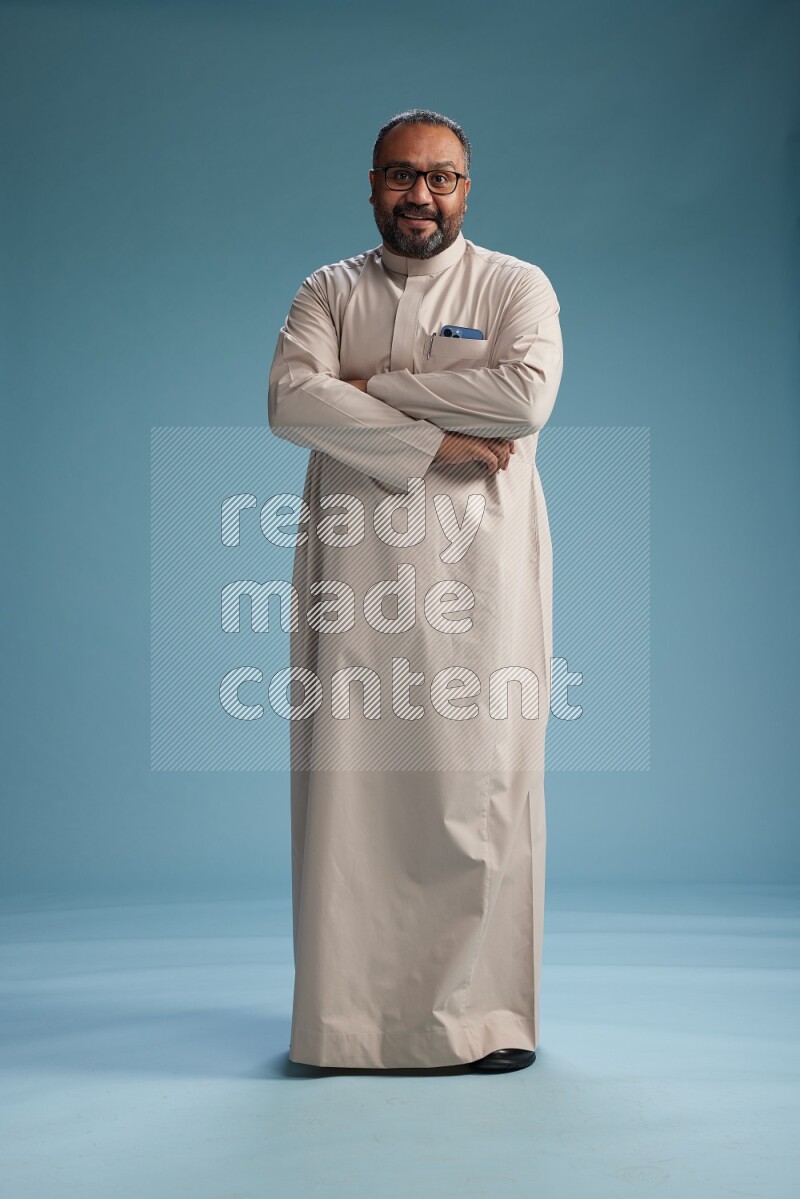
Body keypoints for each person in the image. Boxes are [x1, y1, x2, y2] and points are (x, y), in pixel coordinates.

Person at [267, 108, 563, 1074]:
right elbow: (290, 397)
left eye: (441, 178)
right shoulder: (329, 286)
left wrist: (376, 384)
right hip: (357, 576)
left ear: (467, 190)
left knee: (479, 786)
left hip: (481, 577)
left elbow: (523, 398)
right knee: (351, 793)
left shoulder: (515, 284)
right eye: (402, 177)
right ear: (371, 185)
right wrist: (437, 438)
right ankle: (343, 1029)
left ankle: (481, 1022)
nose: (420, 196)